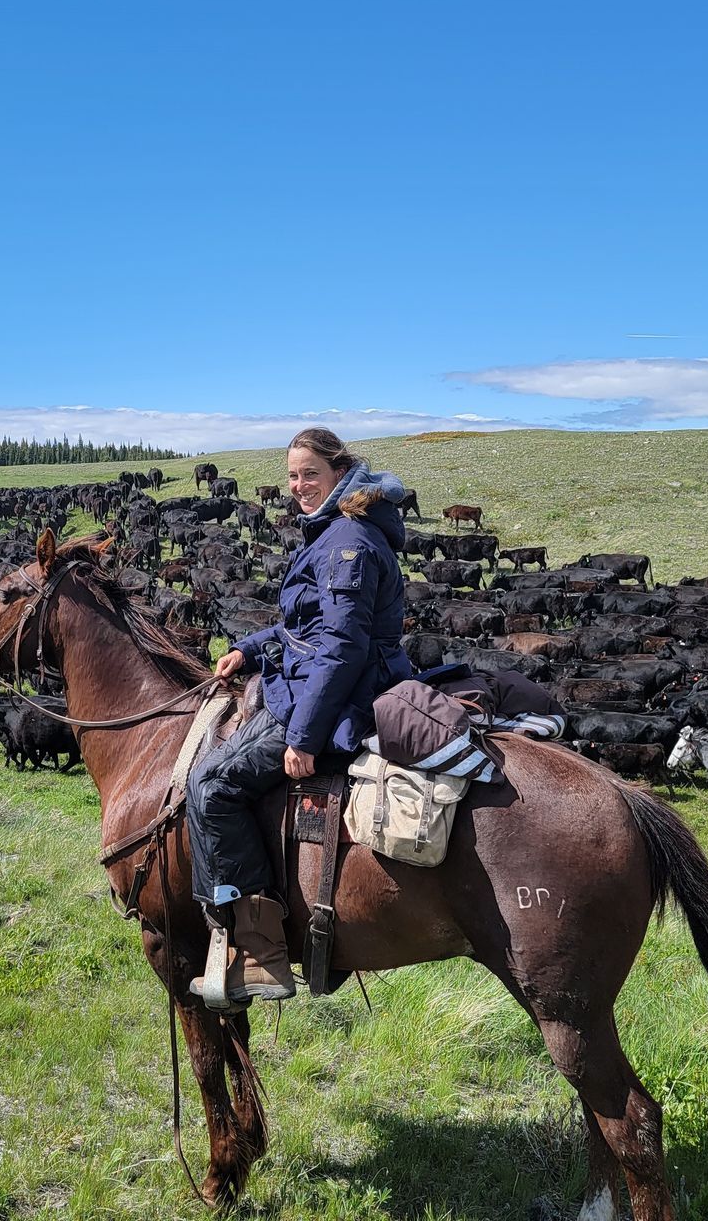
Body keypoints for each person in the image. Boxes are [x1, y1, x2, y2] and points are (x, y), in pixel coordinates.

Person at [185, 428, 413, 1007]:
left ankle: (263, 953)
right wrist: (253, 647)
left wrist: (307, 735)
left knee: (211, 783)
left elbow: (341, 648)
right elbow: (305, 628)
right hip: (323, 682)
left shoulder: (346, 543)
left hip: (339, 700)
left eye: (309, 473)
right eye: (291, 476)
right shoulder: (338, 532)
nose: (298, 486)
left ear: (338, 473)